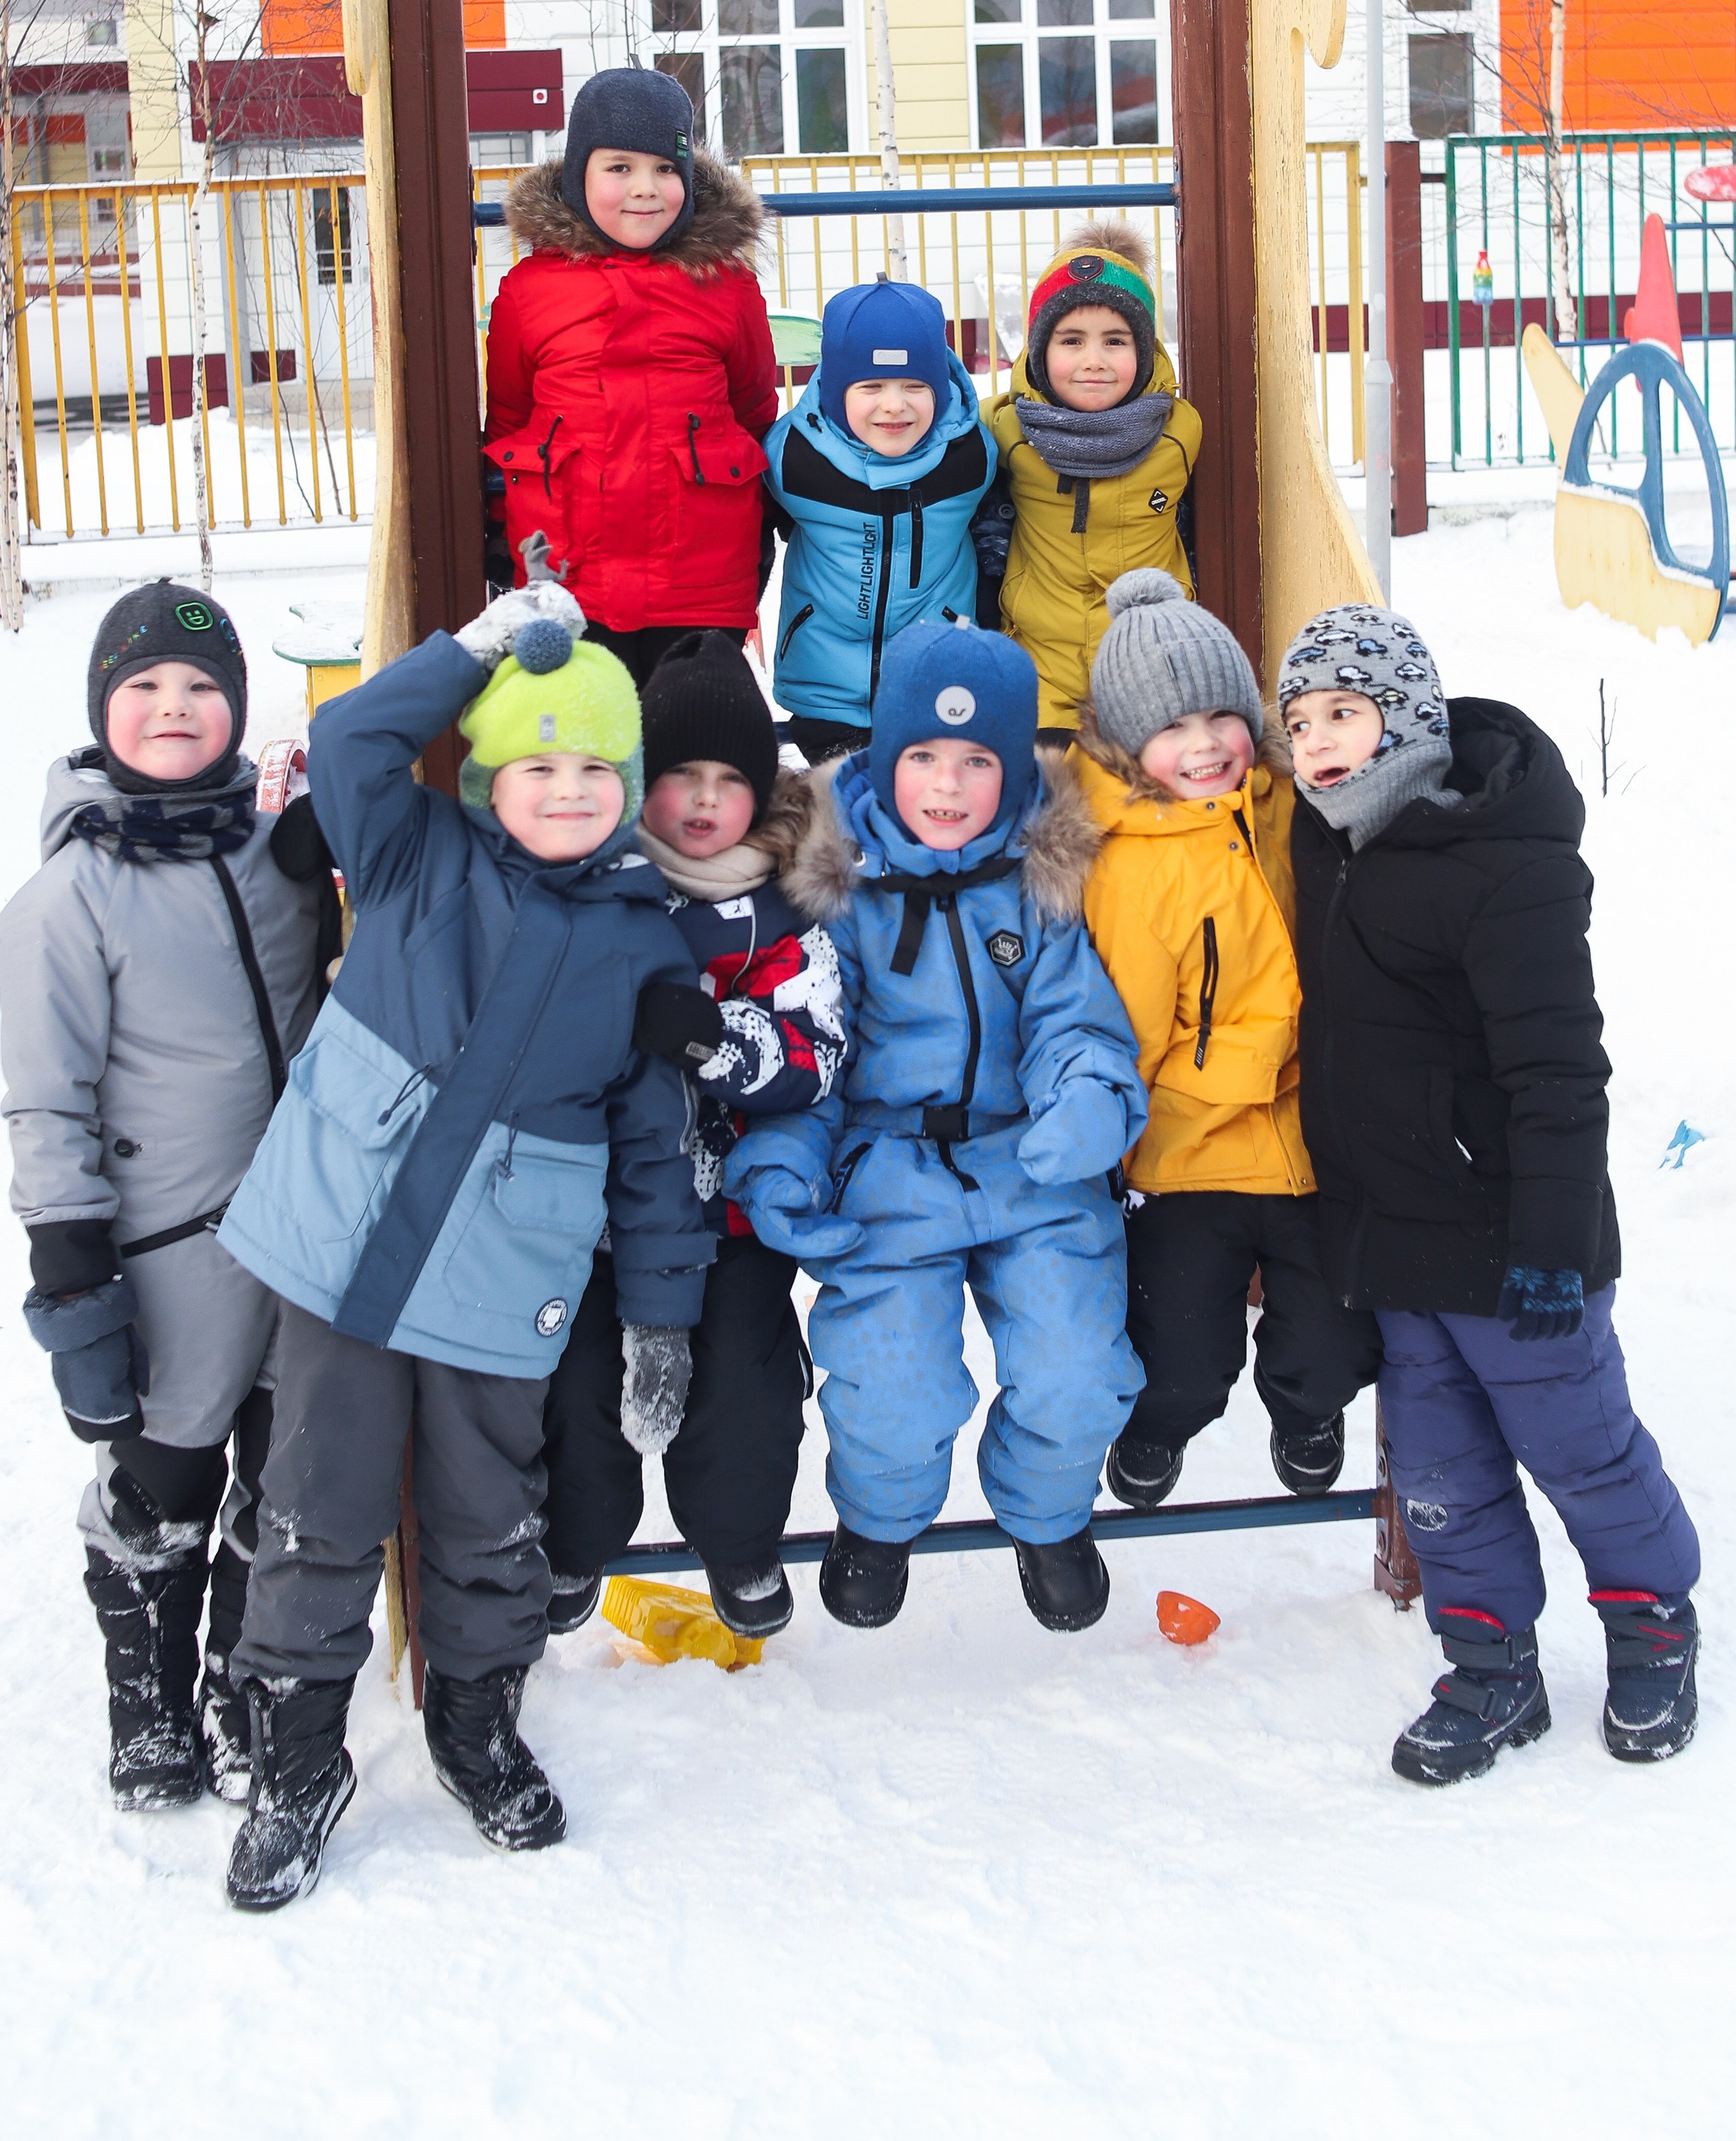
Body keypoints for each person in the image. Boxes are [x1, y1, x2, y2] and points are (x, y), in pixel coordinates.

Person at [214, 584, 714, 1909]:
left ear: (633, 784)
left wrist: (661, 1315)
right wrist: (475, 649)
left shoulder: (648, 946)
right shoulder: (412, 851)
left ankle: (475, 1726)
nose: (565, 790)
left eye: (595, 768)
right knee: (316, 1506)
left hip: (501, 1278)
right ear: (488, 772)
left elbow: (661, 1149)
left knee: (491, 1516)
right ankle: (297, 1758)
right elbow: (355, 746)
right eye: (536, 762)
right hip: (343, 1251)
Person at [1280, 602, 1701, 1783]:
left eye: (1345, 713)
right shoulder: (1327, 842)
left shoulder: (1502, 863)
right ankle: (1490, 1662)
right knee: (1440, 1469)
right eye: (1300, 718)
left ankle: (1652, 1622)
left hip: (1516, 1241)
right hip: (1398, 1241)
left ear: (1406, 717)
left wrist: (1556, 1243)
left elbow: (1559, 1069)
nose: (1317, 740)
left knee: (1581, 1446)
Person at [727, 616, 1147, 1635]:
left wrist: (1087, 1099)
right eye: (923, 758)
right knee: (892, 1379)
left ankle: (1047, 1515)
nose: (949, 787)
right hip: (888, 1167)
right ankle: (877, 1520)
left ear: (1012, 769)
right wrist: (781, 1164)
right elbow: (812, 1055)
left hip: (1028, 1163)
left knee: (1076, 1364)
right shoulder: (839, 891)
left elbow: (1072, 1021)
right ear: (883, 757)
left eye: (976, 762)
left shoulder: (1039, 883)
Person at [0, 583, 334, 1813]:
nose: (174, 708)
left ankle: (240, 1686)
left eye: (200, 687)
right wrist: (72, 1268)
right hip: (167, 1249)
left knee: (284, 1479)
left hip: (299, 1230)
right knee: (165, 1482)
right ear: (103, 711)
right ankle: (147, 1698)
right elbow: (46, 1096)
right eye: (143, 688)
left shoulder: (272, 844)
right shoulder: (70, 896)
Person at [542, 631, 845, 1639]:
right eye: (681, 777)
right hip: (602, 1214)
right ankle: (576, 1542)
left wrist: (719, 1040)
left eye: (730, 779)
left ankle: (740, 1543)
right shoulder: (596, 888)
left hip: (733, 1213)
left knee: (744, 1391)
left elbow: (818, 1054)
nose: (706, 802)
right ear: (640, 784)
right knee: (579, 1383)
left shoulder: (786, 910)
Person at [1075, 572, 1379, 1512]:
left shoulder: (1291, 809)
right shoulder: (1131, 870)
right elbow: (1131, 1044)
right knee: (1182, 1354)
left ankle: (1306, 1408)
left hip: (1312, 1141)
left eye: (1221, 714)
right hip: (1189, 1152)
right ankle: (1159, 1428)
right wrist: (1269, 1052)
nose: (1204, 744)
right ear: (1129, 746)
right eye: (1172, 728)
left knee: (1337, 1338)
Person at [482, 66, 778, 687]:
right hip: (568, 579)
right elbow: (508, 418)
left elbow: (753, 408)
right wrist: (499, 526)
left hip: (699, 579)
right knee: (587, 753)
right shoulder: (530, 292)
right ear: (577, 175)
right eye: (619, 168)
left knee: (688, 748)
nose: (645, 189)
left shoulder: (727, 287)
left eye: (665, 169)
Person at [976, 223, 1201, 741]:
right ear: (1038, 351)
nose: (1093, 361)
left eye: (1116, 341)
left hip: (1149, 669)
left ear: (1144, 352)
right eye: (1071, 340)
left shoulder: (1178, 432)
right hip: (1039, 669)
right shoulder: (1003, 429)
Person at [762, 276, 996, 765]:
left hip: (935, 682)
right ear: (833, 390)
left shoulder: (970, 456)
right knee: (845, 818)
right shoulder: (795, 460)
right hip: (824, 691)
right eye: (870, 387)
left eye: (915, 386)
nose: (894, 405)